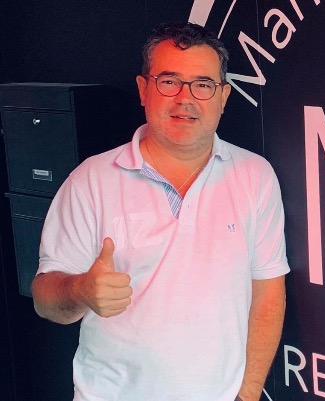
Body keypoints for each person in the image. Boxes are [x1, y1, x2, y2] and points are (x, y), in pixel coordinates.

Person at [31, 22, 289, 401]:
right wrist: (81, 290)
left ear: (223, 97)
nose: (185, 98)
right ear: (143, 89)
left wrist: (247, 394)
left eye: (203, 84)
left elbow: (267, 294)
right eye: (169, 81)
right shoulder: (91, 180)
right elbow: (45, 300)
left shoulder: (255, 176)